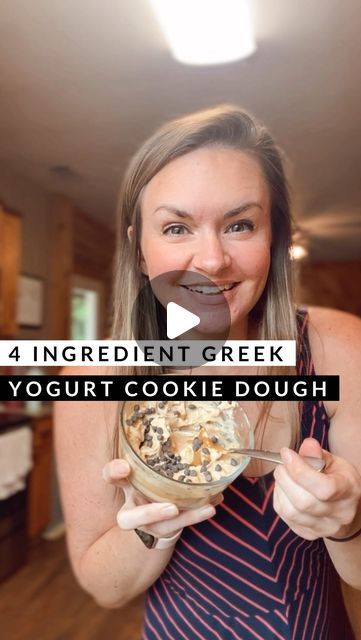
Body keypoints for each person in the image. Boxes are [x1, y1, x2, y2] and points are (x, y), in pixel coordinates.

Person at [55, 105, 361, 639]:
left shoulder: (337, 348)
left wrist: (347, 523)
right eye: (177, 227)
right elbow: (105, 587)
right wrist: (155, 527)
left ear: (274, 238)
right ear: (140, 251)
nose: (212, 260)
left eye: (240, 224)